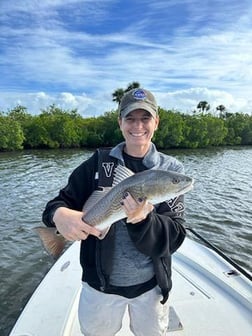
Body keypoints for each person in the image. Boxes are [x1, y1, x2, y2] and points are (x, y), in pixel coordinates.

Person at [42, 88, 186, 336]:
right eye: (130, 118)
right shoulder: (98, 163)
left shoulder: (170, 169)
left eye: (145, 118)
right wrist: (59, 215)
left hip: (151, 287)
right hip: (100, 288)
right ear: (120, 122)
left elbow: (175, 236)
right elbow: (57, 202)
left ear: (156, 122)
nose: (137, 125)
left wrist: (144, 221)